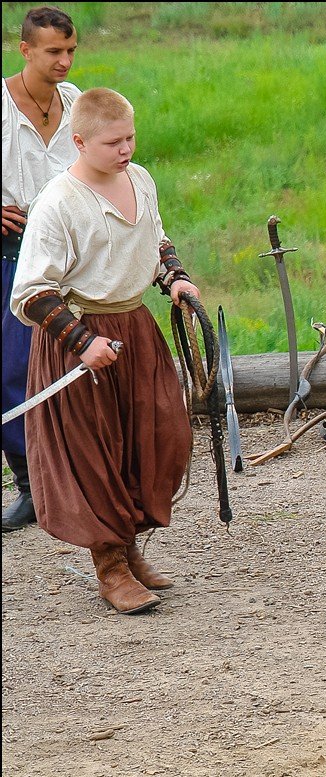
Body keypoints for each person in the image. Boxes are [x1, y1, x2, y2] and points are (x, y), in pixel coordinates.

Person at [9, 87, 199, 614]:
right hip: (79, 341)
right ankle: (111, 565)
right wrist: (82, 340)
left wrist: (175, 278)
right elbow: (31, 293)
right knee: (95, 455)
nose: (125, 150)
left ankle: (129, 545)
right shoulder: (57, 203)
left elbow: (155, 238)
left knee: (160, 435)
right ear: (79, 141)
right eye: (113, 142)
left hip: (135, 327)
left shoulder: (139, 179)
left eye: (130, 138)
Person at [2, 5, 81, 532]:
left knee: (75, 365)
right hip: (11, 255)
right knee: (13, 371)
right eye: (54, 52)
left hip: (70, 261)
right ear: (26, 49)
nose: (65, 62)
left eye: (72, 51)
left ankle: (77, 481)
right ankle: (30, 484)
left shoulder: (76, 104)